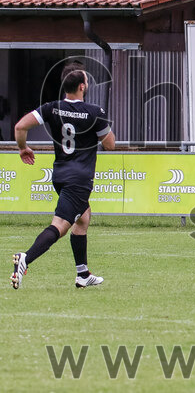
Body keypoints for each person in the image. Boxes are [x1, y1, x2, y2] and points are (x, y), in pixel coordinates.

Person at [11, 62, 115, 289]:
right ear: (81, 87)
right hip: (80, 179)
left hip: (59, 175)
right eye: (86, 81)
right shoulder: (94, 112)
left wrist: (22, 148)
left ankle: (83, 274)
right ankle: (25, 258)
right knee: (60, 225)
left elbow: (20, 126)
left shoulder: (51, 108)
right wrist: (101, 125)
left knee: (83, 217)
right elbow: (110, 144)